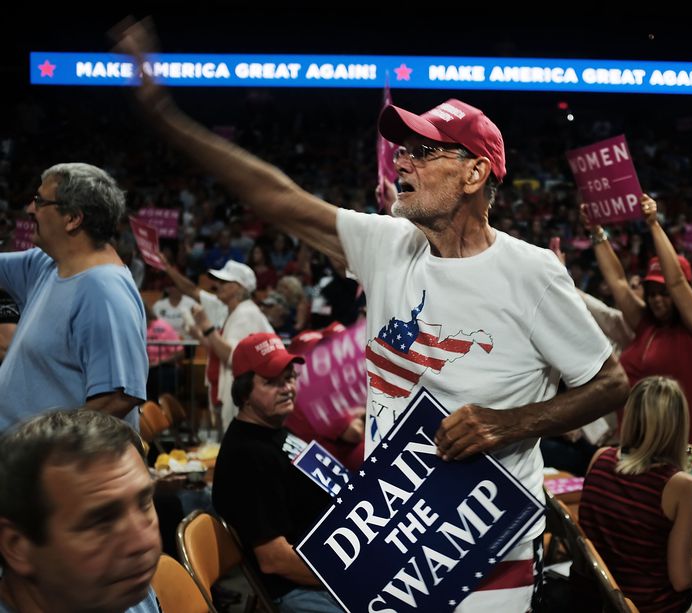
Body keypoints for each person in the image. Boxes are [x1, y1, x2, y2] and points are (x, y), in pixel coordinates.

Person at [114, 19, 628, 611]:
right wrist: (167, 119)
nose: (402, 161)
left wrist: (510, 424)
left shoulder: (531, 271)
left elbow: (610, 382)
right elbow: (278, 198)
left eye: (423, 151)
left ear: (475, 172)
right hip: (390, 538)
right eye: (402, 150)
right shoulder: (388, 244)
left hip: (487, 553)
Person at [579, 376, 692, 613]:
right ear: (679, 424)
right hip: (648, 605)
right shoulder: (681, 485)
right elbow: (682, 579)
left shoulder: (600, 458)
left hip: (600, 593)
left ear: (630, 416)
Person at [0, 163, 148, 433]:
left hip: (52, 467)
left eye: (39, 201)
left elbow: (117, 398)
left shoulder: (103, 290)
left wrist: (41, 452)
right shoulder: (46, 264)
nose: (30, 209)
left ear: (72, 218)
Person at [212, 333, 341, 612]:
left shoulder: (274, 427)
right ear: (244, 393)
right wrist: (352, 578)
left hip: (333, 562)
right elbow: (275, 559)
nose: (287, 388)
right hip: (302, 588)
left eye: (289, 377)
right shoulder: (246, 456)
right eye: (271, 382)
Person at [586, 196, 692, 451]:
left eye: (664, 292)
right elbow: (618, 282)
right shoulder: (646, 324)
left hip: (678, 455)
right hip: (632, 448)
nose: (657, 299)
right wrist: (596, 231)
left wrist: (653, 224)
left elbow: (677, 281)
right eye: (652, 292)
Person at [0, 409, 161, 612]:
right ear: (17, 545)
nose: (143, 542)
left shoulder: (128, 591)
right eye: (101, 522)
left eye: (144, 503)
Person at [191, 259, 274, 434]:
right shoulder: (237, 312)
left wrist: (207, 327)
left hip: (239, 399)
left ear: (239, 287)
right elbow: (219, 349)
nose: (217, 286)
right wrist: (201, 334)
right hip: (227, 394)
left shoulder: (246, 314)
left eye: (224, 282)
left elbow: (234, 357)